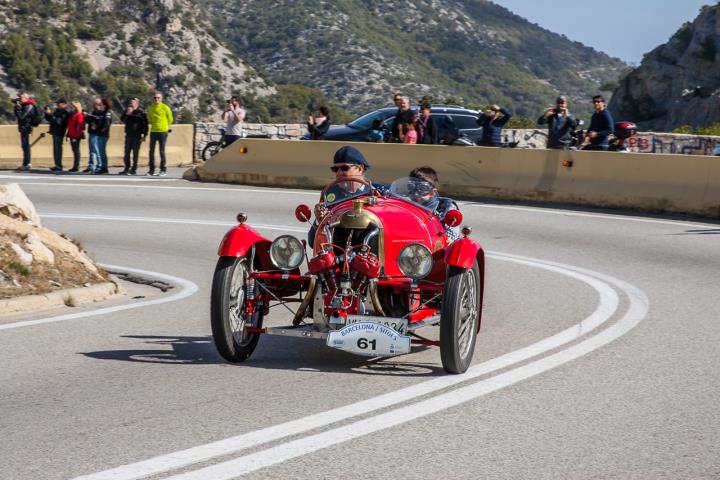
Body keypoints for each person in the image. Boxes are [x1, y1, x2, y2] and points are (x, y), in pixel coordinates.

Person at [308, 146, 374, 245]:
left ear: (360, 169)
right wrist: (319, 220)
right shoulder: (329, 193)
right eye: (335, 169)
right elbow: (312, 242)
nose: (338, 172)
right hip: (338, 252)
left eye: (344, 168)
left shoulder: (376, 191)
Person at [408, 166, 460, 240]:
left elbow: (450, 240)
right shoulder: (405, 204)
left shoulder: (447, 208)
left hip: (434, 248)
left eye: (422, 188)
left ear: (433, 192)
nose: (415, 194)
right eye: (411, 187)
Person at [147, 91, 174, 176]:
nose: (156, 99)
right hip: (153, 131)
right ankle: (151, 170)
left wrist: (165, 127)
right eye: (155, 98)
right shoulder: (150, 108)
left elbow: (170, 119)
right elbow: (150, 119)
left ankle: (163, 170)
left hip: (163, 132)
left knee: (161, 151)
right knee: (151, 151)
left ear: (161, 99)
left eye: (158, 98)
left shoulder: (165, 107)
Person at [120, 97, 149, 175]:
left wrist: (144, 135)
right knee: (126, 153)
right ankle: (126, 168)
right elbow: (122, 119)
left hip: (137, 136)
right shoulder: (127, 111)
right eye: (130, 103)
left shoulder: (141, 112)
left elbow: (145, 124)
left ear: (137, 103)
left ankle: (134, 169)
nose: (130, 104)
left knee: (135, 153)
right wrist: (127, 114)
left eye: (132, 103)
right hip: (128, 135)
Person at [14, 90, 41, 171]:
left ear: (26, 98)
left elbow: (21, 117)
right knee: (24, 146)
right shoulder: (25, 105)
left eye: (21, 97)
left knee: (26, 146)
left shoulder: (29, 106)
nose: (20, 99)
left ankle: (27, 164)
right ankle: (25, 163)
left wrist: (18, 108)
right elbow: (19, 116)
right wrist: (17, 108)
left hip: (26, 127)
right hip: (23, 127)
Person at [45, 99, 72, 172]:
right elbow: (51, 119)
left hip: (59, 132)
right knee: (55, 150)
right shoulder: (58, 111)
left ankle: (59, 166)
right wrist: (47, 114)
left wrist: (51, 115)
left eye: (59, 104)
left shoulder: (65, 112)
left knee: (57, 149)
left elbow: (58, 122)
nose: (57, 105)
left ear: (64, 104)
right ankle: (57, 165)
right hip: (55, 132)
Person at [90, 97, 113, 174]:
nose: (100, 106)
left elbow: (107, 124)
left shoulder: (108, 113)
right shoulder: (102, 113)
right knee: (101, 151)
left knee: (102, 152)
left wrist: (101, 129)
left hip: (103, 135)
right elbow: (96, 118)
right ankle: (103, 167)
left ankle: (104, 167)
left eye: (101, 104)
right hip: (100, 134)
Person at [84, 98, 103, 173]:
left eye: (96, 104)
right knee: (91, 151)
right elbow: (88, 119)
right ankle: (91, 165)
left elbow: (99, 120)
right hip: (91, 132)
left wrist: (90, 117)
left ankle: (99, 165)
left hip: (96, 134)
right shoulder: (94, 112)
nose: (94, 105)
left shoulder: (101, 112)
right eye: (94, 104)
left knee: (96, 150)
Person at [66, 101, 85, 172]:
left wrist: (75, 137)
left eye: (73, 106)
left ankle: (76, 166)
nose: (71, 107)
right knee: (74, 150)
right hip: (71, 134)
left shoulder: (79, 115)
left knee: (76, 151)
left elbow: (79, 127)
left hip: (75, 136)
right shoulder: (73, 114)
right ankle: (75, 166)